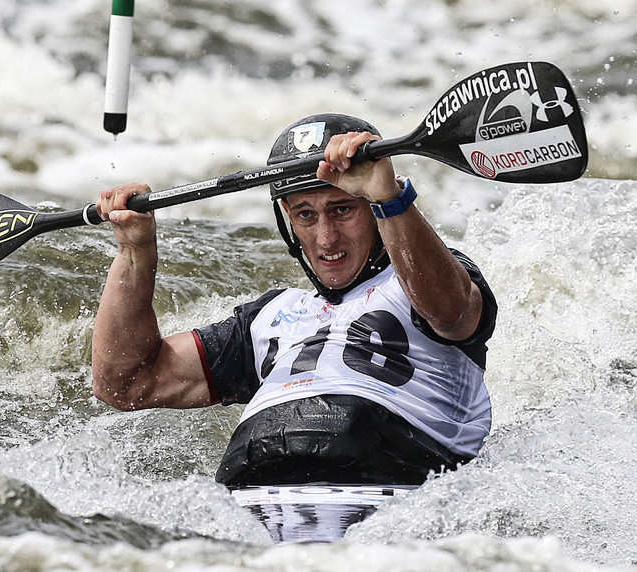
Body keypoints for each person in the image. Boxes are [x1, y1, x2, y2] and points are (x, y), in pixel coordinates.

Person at [90, 114, 497, 487]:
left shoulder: (426, 279)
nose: (326, 238)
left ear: (371, 209)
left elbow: (449, 312)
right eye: (305, 215)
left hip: (395, 479)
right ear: (287, 216)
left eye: (341, 209)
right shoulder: (267, 318)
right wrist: (134, 253)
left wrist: (388, 197)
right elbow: (125, 384)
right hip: (256, 492)